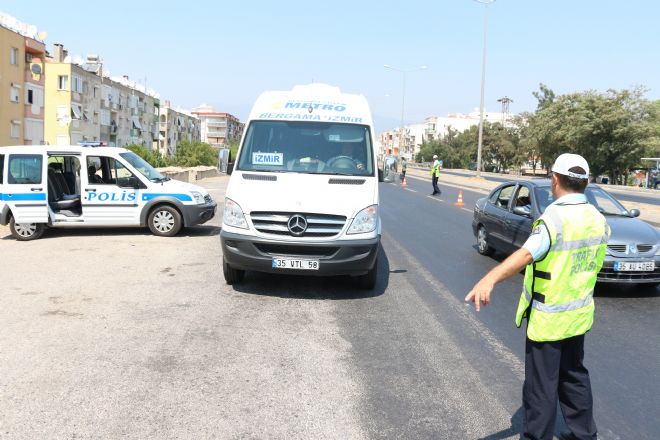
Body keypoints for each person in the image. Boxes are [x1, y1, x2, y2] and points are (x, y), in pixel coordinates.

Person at [465, 153, 610, 440]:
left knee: (541, 386)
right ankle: (584, 435)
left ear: (554, 179)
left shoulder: (554, 218)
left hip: (549, 319)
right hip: (578, 315)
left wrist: (489, 278)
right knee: (574, 377)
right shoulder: (596, 217)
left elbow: (527, 253)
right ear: (587, 182)